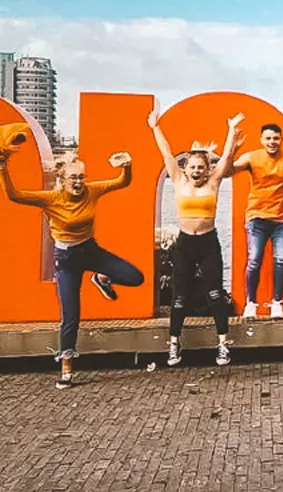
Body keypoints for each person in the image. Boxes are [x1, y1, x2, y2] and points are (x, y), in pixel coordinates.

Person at [0, 144, 144, 389]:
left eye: (81, 177)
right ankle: (66, 366)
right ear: (62, 179)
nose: (78, 182)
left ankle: (102, 278)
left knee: (135, 277)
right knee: (71, 315)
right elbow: (15, 195)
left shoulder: (92, 191)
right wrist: (3, 169)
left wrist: (126, 166)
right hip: (66, 260)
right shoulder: (51, 199)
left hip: (91, 251)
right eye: (73, 177)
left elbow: (121, 182)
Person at [148, 107, 243, 367]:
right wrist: (155, 127)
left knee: (214, 294)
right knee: (179, 297)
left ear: (207, 169)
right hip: (185, 244)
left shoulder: (214, 182)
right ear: (185, 168)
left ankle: (223, 344)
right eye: (193, 167)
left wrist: (232, 131)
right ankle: (174, 344)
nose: (198, 171)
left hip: (208, 243)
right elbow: (166, 152)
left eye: (202, 167)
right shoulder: (178, 180)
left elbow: (225, 157)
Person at [230, 123, 283, 319]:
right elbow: (228, 171)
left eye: (276, 138)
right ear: (262, 140)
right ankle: (251, 303)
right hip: (257, 217)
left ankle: (277, 303)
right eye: (268, 138)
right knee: (254, 259)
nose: (272, 142)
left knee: (281, 260)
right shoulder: (252, 157)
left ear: (281, 140)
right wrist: (233, 149)